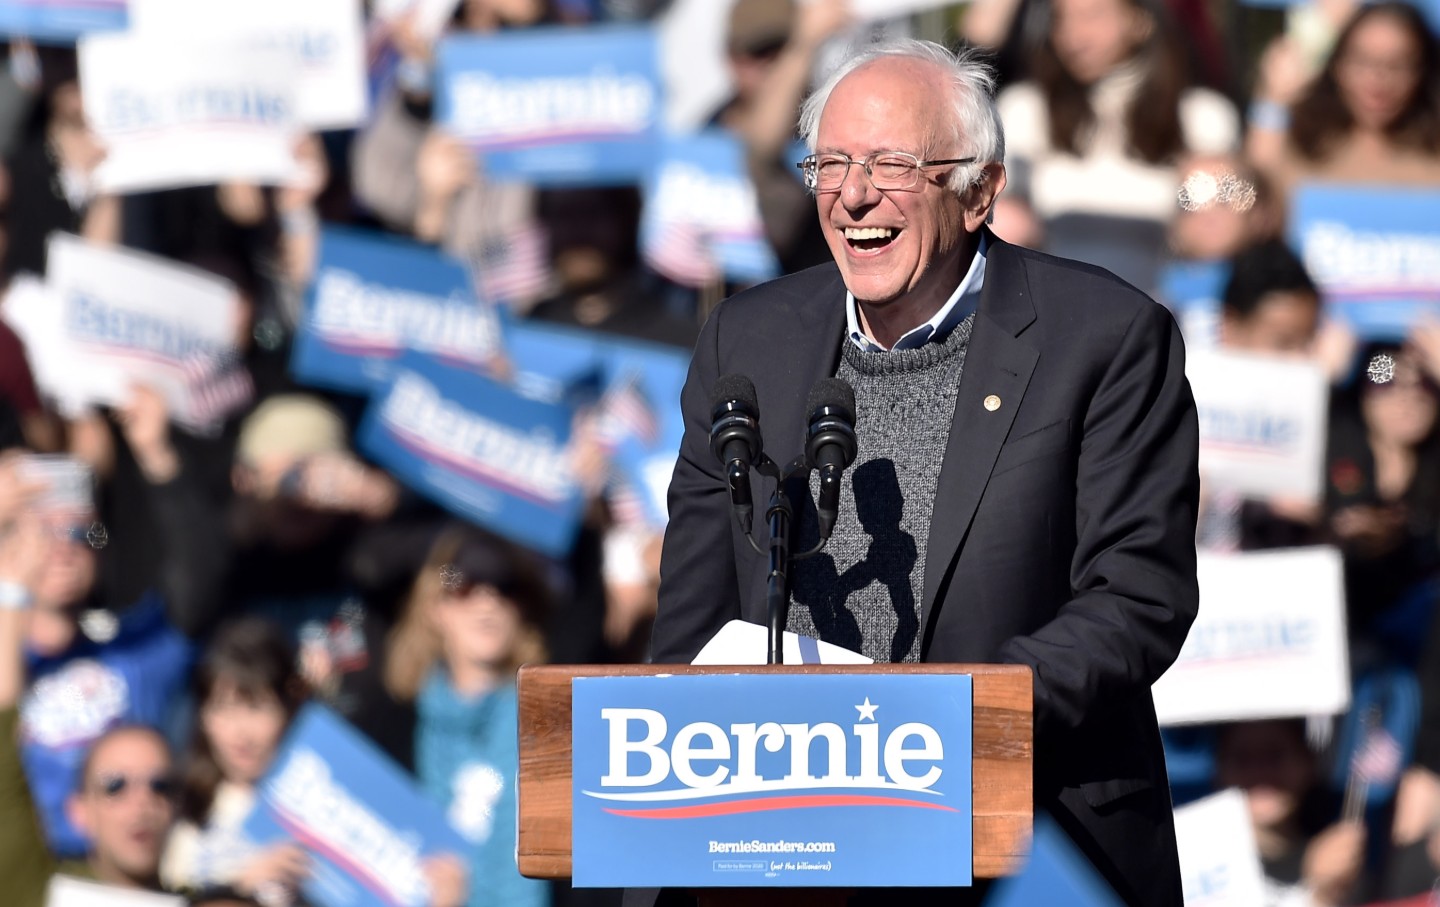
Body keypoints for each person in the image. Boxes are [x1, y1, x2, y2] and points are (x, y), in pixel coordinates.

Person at [648, 38, 1198, 906]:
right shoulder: (743, 340)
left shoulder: (1106, 336)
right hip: (783, 846)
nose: (854, 194)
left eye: (892, 164)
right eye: (830, 163)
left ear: (979, 190)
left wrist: (946, 726)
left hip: (1014, 840)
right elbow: (694, 612)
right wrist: (662, 871)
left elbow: (1137, 598)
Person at [0, 511, 180, 907]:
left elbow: (197, 578)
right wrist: (11, 589)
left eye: (85, 534)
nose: (64, 549)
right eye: (41, 536)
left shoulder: (136, 656)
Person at [994, 0, 1237, 292]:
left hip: (1165, 304)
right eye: (1062, 19)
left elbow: (1224, 229)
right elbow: (1004, 224)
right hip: (1052, 300)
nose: (1075, 34)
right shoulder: (1023, 111)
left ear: (1141, 22)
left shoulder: (1203, 119)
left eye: (1093, 16)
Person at [384, 523, 551, 907]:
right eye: (465, 585)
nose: (487, 602)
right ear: (435, 606)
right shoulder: (394, 725)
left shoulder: (555, 721)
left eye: (505, 587)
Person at [1248, 1, 1440, 198]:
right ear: (1336, 65)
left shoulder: (1433, 157)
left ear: (1422, 70)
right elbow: (1248, 199)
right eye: (1362, 61)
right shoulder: (1302, 147)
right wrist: (1273, 101)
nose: (1377, 81)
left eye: (1398, 65)